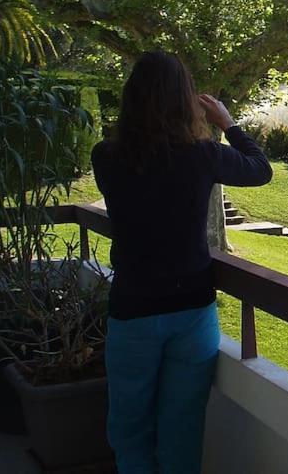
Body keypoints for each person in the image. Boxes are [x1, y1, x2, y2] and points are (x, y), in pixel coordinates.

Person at [91, 51, 272, 473]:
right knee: (182, 429)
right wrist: (228, 124)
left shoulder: (106, 157)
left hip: (133, 309)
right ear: (186, 100)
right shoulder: (203, 155)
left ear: (131, 97)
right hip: (192, 311)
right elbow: (260, 169)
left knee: (129, 428)